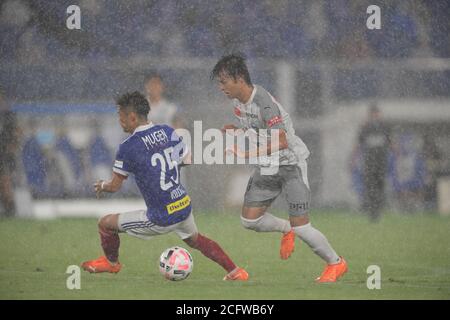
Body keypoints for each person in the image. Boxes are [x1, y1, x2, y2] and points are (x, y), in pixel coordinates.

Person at [81, 91, 248, 281]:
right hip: (182, 204)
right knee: (196, 240)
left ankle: (112, 264)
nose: (120, 122)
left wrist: (102, 185)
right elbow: (187, 159)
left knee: (106, 224)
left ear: (133, 117)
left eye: (121, 118)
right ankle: (236, 271)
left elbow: (115, 186)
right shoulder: (168, 131)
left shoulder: (128, 147)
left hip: (161, 216)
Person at [211, 54, 347, 283]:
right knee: (250, 221)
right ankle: (286, 229)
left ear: (239, 79)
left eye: (224, 81)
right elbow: (257, 129)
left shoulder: (264, 102)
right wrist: (237, 129)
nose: (220, 86)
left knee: (303, 227)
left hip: (290, 164)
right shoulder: (237, 104)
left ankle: (336, 263)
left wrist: (245, 154)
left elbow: (281, 141)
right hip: (268, 166)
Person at [355, 104, 391, 221]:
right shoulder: (365, 128)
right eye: (373, 114)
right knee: (370, 187)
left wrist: (397, 154)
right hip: (369, 164)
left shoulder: (385, 127)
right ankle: (371, 211)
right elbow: (358, 144)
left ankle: (378, 211)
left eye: (376, 113)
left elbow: (391, 142)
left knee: (380, 187)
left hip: (381, 163)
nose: (375, 116)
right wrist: (354, 158)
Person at [0, 88, 19, 217]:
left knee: (5, 179)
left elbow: (15, 132)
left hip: (4, 153)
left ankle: (10, 207)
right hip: (4, 152)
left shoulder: (8, 116)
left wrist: (12, 147)